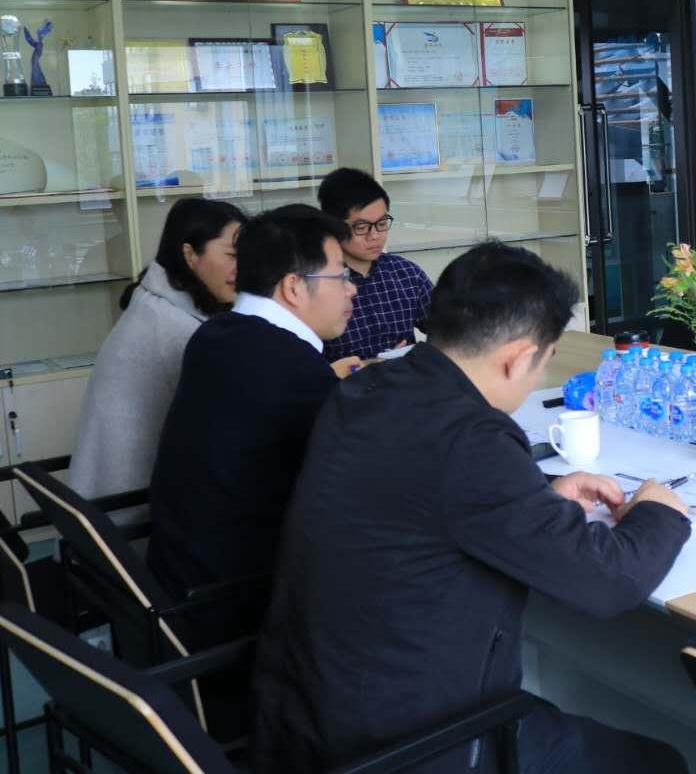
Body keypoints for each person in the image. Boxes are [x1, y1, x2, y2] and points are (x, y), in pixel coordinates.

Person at [252, 242, 690, 773]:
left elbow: (425, 493)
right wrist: (660, 511)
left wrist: (539, 493)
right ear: (519, 358)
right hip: (411, 745)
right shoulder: (470, 438)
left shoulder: (372, 385)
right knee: (662, 761)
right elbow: (609, 583)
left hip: (307, 711)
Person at [146, 204, 357, 621]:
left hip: (174, 577)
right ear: (293, 287)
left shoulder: (214, 334)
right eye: (341, 276)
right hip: (232, 602)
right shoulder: (292, 367)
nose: (352, 290)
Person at [69, 198, 246, 499]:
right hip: (128, 508)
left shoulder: (154, 299)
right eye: (231, 255)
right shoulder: (176, 327)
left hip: (97, 499)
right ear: (189, 254)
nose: (240, 269)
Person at [317, 167, 433, 361]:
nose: (375, 235)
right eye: (361, 227)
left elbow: (450, 331)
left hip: (407, 378)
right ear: (334, 225)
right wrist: (372, 366)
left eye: (381, 223)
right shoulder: (318, 284)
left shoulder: (406, 273)